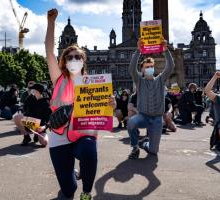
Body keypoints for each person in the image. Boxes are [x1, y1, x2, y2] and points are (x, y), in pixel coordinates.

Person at [45, 8, 116, 200]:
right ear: (64, 61)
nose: (74, 59)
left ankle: (86, 192)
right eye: (70, 57)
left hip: (83, 133)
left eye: (78, 57)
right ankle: (73, 178)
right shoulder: (58, 78)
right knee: (68, 191)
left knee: (88, 150)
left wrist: (111, 104)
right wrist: (51, 22)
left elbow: (103, 111)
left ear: (84, 61)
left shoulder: (94, 83)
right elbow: (49, 50)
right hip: (59, 134)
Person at [127, 37, 174, 159]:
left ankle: (145, 144)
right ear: (142, 70)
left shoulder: (160, 79)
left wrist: (165, 50)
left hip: (157, 118)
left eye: (151, 66)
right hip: (143, 116)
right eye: (146, 67)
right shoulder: (139, 81)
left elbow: (170, 66)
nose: (149, 68)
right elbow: (132, 69)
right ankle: (135, 146)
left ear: (153, 68)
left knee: (153, 151)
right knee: (131, 122)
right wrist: (138, 51)